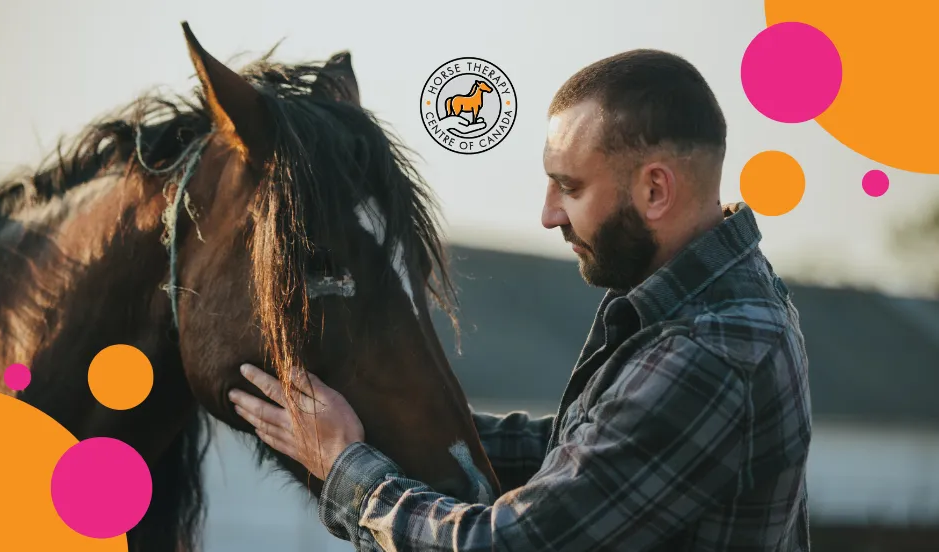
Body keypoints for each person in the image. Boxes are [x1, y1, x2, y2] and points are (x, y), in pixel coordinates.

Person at [228, 49, 812, 551]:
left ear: (655, 189)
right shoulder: (718, 294)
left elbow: (507, 545)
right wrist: (394, 422)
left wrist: (345, 467)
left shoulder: (713, 350)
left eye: (571, 186)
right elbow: (586, 451)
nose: (548, 213)